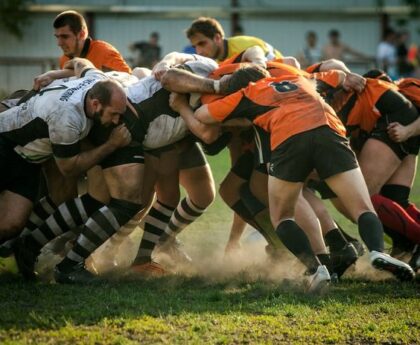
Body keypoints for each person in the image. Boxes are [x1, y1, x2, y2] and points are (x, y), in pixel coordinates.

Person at [170, 64, 415, 283]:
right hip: (329, 131)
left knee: (282, 217)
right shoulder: (298, 78)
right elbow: (334, 76)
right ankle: (377, 251)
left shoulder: (247, 93)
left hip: (289, 140)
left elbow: (203, 120)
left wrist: (183, 107)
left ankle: (316, 269)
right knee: (362, 207)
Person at [0, 58, 130, 244]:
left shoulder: (96, 78)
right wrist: (111, 145)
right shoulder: (67, 117)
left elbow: (80, 62)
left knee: (10, 225)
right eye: (113, 114)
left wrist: (53, 74)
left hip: (28, 160)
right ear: (95, 104)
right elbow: (69, 168)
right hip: (5, 145)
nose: (117, 121)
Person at [54, 10, 131, 73]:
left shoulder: (104, 53)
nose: (59, 43)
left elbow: (129, 81)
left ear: (82, 34)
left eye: (65, 37)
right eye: (57, 37)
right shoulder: (64, 60)